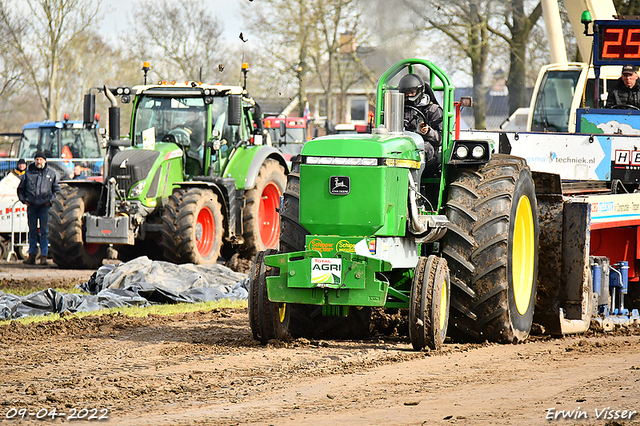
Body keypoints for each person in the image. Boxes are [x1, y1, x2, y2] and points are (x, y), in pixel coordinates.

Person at [17, 151, 61, 265]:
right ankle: (32, 255)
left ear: (45, 161)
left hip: (45, 207)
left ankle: (44, 256)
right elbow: (20, 189)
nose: (38, 161)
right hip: (31, 206)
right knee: (32, 231)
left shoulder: (51, 174)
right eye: (37, 159)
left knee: (44, 231)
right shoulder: (28, 173)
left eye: (41, 159)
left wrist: (50, 201)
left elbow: (57, 190)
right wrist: (24, 200)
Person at [398, 73, 443, 173]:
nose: (408, 96)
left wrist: (428, 132)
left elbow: (441, 139)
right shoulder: (395, 109)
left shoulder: (433, 110)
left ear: (420, 91)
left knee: (422, 149)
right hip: (400, 144)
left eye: (412, 92)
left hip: (427, 150)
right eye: (405, 93)